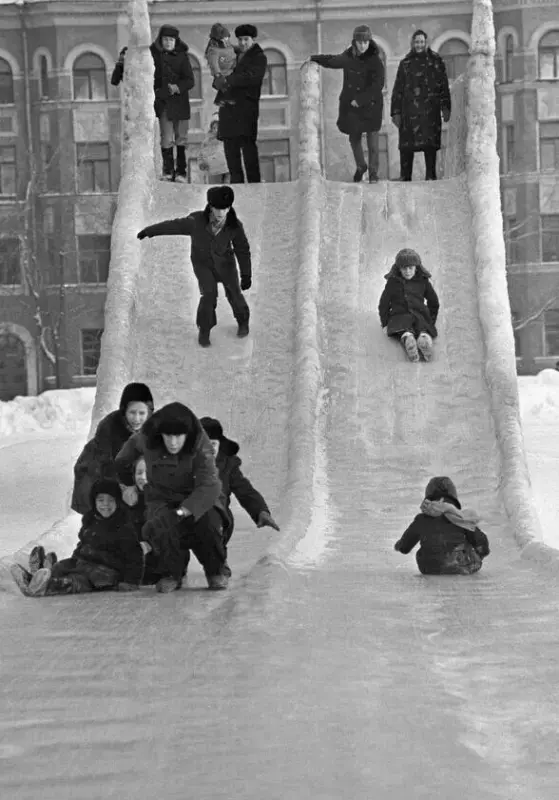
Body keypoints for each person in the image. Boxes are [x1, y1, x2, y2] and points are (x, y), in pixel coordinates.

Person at [114, 402, 229, 592]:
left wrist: (182, 511)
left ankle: (215, 570)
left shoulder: (201, 444)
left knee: (208, 522)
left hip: (198, 497)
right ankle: (172, 573)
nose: (173, 443)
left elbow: (210, 486)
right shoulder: (147, 437)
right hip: (161, 497)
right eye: (168, 436)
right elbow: (122, 460)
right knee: (161, 524)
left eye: (178, 436)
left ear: (187, 435)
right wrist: (129, 485)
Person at [137, 186, 251, 348]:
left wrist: (246, 275)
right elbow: (173, 226)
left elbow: (242, 249)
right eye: (217, 208)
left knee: (234, 293)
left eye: (225, 208)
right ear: (210, 206)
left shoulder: (235, 226)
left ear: (229, 208)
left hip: (226, 265)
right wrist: (149, 231)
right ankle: (204, 329)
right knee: (208, 295)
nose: (220, 213)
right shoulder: (196, 221)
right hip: (203, 265)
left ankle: (243, 321)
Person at [11, 480, 145, 597]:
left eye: (111, 500)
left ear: (118, 502)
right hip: (84, 563)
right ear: (94, 501)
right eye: (101, 500)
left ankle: (47, 586)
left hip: (104, 573)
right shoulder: (91, 520)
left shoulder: (122, 527)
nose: (106, 504)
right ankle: (36, 577)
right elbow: (83, 544)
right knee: (61, 567)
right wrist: (74, 560)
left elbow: (135, 555)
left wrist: (131, 581)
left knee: (76, 582)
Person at [200, 417, 279, 575]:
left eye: (213, 444)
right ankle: (173, 569)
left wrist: (260, 511)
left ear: (219, 444)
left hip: (218, 516)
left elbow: (245, 490)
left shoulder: (228, 465)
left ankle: (218, 562)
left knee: (216, 519)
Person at [310, 25, 385, 183]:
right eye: (360, 42)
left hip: (370, 104)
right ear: (355, 42)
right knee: (354, 137)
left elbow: (378, 85)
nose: (362, 45)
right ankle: (361, 166)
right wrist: (314, 58)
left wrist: (361, 99)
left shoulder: (375, 60)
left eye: (365, 42)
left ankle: (373, 174)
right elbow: (333, 61)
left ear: (369, 42)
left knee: (372, 141)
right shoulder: (349, 56)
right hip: (352, 106)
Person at [71, 382, 154, 515]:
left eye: (142, 413)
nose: (137, 418)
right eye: (132, 412)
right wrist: (125, 487)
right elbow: (106, 466)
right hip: (98, 468)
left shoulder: (155, 428)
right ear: (124, 410)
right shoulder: (109, 427)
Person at [394, 477, 490, 575]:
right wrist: (481, 553)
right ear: (453, 496)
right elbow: (481, 542)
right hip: (458, 565)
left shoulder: (421, 519)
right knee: (470, 547)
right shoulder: (460, 517)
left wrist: (399, 545)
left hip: (428, 568)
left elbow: (404, 547)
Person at [390, 30, 451, 181]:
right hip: (409, 112)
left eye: (421, 42)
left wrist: (446, 106)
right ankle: (405, 177)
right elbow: (398, 89)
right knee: (406, 147)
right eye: (417, 42)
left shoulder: (436, 61)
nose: (419, 45)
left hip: (430, 111)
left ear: (426, 43)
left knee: (430, 146)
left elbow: (443, 85)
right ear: (413, 43)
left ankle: (431, 176)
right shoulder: (405, 63)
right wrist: (395, 112)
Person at [214, 24, 267, 183]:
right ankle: (236, 184)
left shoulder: (259, 57)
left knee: (248, 146)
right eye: (240, 39)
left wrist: (229, 79)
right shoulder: (232, 55)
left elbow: (252, 77)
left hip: (246, 108)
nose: (243, 43)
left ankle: (254, 183)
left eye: (246, 39)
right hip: (228, 107)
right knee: (230, 147)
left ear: (253, 39)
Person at [150, 24, 195, 183]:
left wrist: (177, 87)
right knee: (167, 138)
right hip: (163, 104)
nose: (168, 42)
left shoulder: (182, 57)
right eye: (165, 39)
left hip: (180, 103)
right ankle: (168, 171)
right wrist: (159, 92)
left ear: (176, 41)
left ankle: (181, 172)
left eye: (171, 40)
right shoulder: (154, 56)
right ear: (161, 40)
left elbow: (190, 81)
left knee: (181, 138)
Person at [378, 249, 439, 362]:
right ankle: (408, 340)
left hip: (419, 313)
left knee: (422, 327)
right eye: (404, 268)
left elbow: (433, 301)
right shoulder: (393, 282)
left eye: (410, 268)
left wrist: (431, 319)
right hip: (399, 315)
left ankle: (424, 340)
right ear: (399, 268)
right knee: (404, 329)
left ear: (416, 267)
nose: (407, 271)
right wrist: (385, 323)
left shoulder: (423, 281)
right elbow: (384, 303)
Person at [205, 23, 237, 106]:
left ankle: (222, 99)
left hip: (230, 70)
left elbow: (233, 53)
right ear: (218, 39)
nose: (227, 39)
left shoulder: (229, 46)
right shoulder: (214, 50)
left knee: (229, 86)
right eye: (224, 38)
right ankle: (225, 99)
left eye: (227, 37)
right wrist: (218, 74)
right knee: (226, 86)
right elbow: (214, 63)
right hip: (222, 73)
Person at [197, 116, 230, 184]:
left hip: (227, 170)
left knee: (227, 188)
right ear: (211, 129)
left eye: (218, 127)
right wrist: (201, 163)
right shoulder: (206, 142)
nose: (216, 130)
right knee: (215, 188)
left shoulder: (228, 139)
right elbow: (201, 155)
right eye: (214, 128)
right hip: (213, 171)